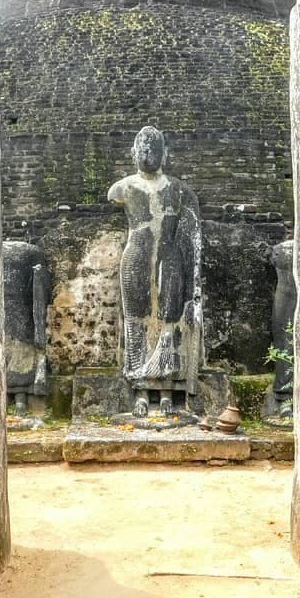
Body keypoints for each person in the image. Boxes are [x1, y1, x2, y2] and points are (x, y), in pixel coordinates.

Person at [108, 126, 202, 415]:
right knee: (135, 321)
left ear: (165, 153)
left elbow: (192, 238)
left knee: (167, 320)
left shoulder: (179, 190)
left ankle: (165, 389)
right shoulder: (123, 188)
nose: (148, 153)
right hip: (136, 256)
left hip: (169, 258)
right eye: (143, 148)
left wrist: (194, 283)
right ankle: (139, 388)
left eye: (155, 148)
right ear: (133, 152)